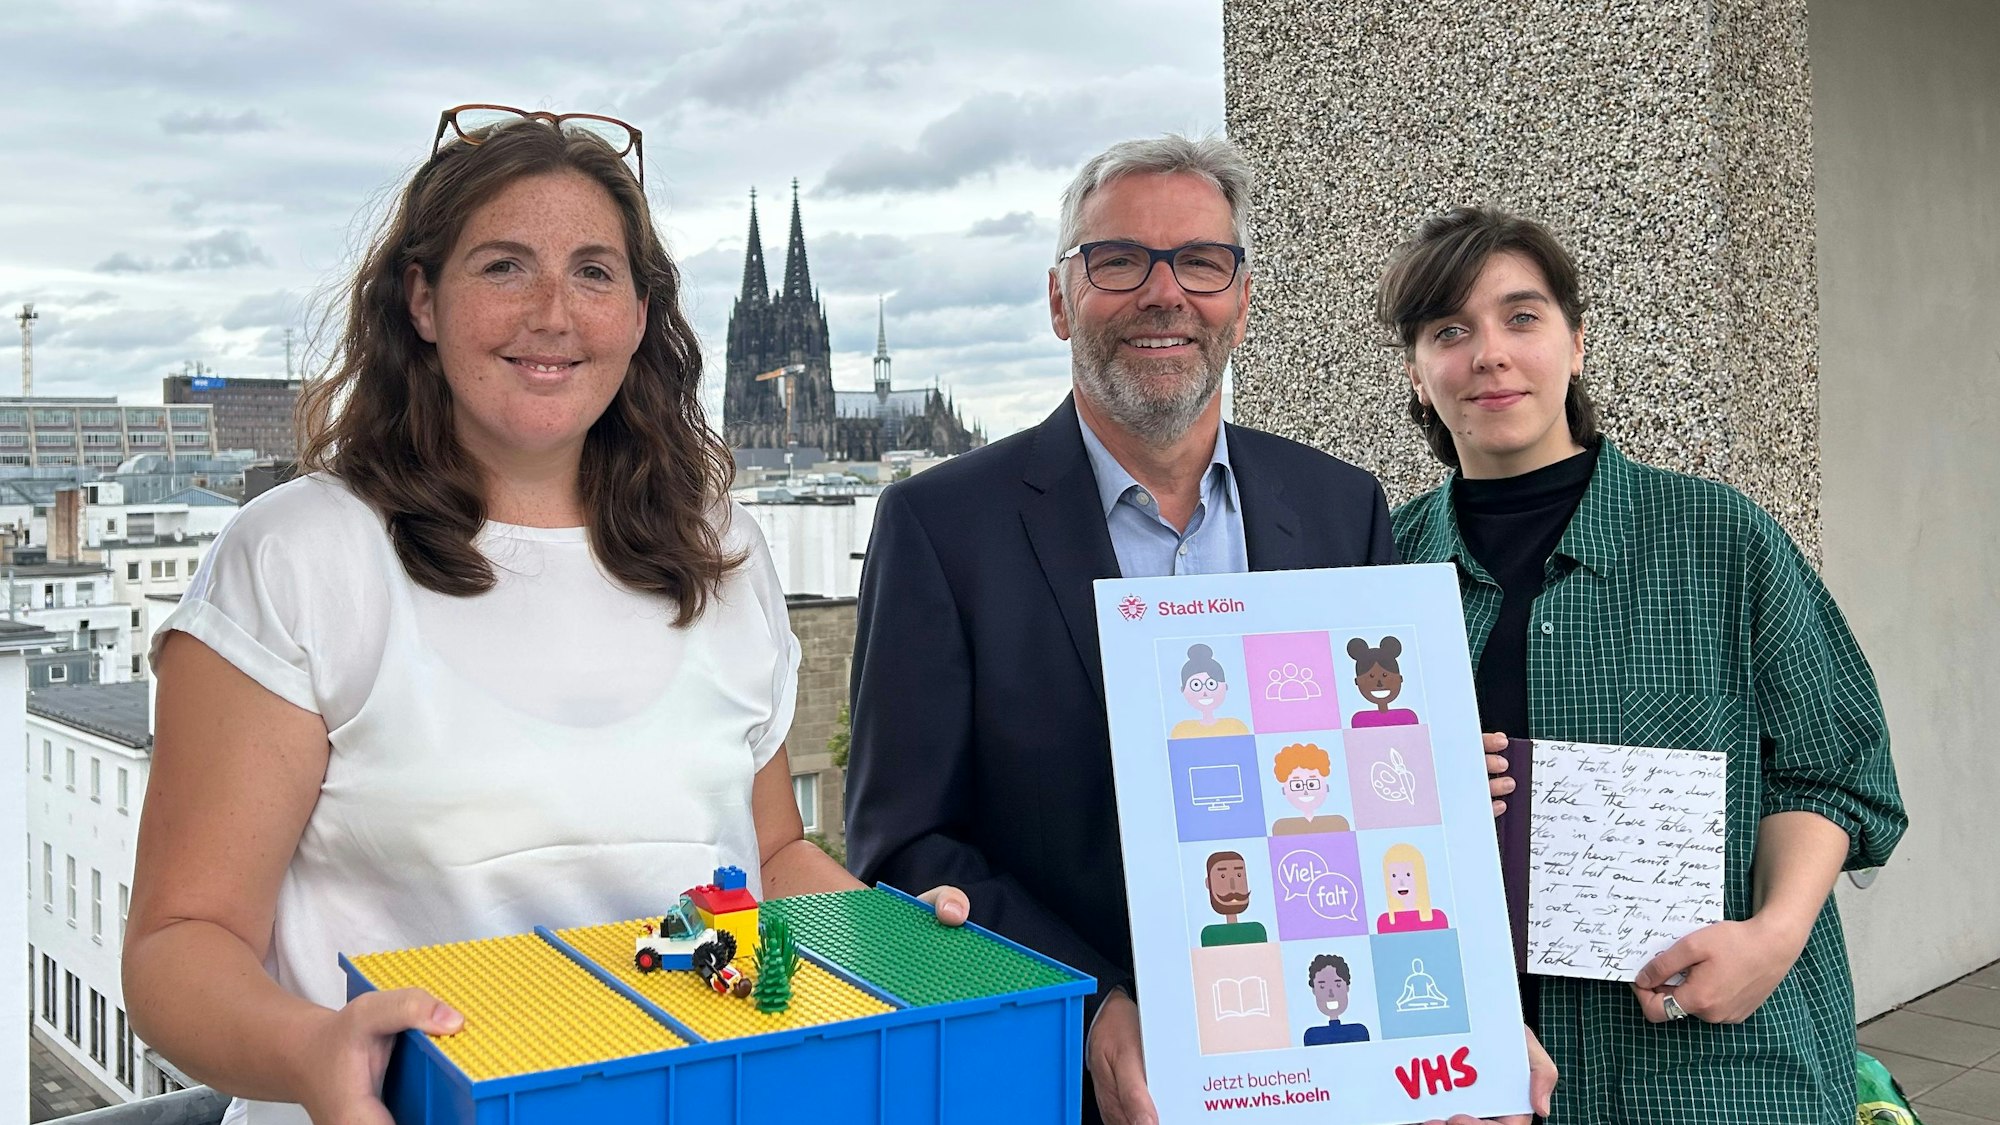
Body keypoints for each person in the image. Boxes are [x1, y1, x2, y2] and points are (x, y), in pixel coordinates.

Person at [122, 107, 964, 1125]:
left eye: (595, 273)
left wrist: (888, 943)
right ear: (421, 301)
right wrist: (314, 1051)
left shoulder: (719, 550)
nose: (553, 313)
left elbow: (768, 857)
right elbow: (181, 941)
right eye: (504, 267)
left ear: (642, 316)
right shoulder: (297, 554)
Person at [845, 134, 1550, 1125]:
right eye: (1117, 260)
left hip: (1325, 1073)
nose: (1163, 293)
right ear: (1059, 300)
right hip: (1078, 1092)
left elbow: (1384, 812)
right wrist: (1086, 1006)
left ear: (1241, 301)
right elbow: (901, 846)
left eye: (1200, 262)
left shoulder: (1339, 506)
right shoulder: (938, 526)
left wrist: (1459, 1019)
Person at [1380, 205, 1906, 1125]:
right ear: (1419, 375)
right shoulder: (1384, 570)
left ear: (1576, 343)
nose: (1490, 353)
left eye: (1522, 317)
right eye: (1449, 331)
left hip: (1711, 1064)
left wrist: (1772, 940)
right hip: (1467, 1074)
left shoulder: (1718, 537)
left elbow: (1837, 770)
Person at [1169, 643, 1252, 738]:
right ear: (1183, 690)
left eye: (1211, 684)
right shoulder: (1181, 730)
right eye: (1196, 685)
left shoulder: (1237, 727)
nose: (1205, 693)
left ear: (1225, 687)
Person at [1268, 741, 1351, 834]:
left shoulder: (1340, 823)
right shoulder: (1280, 827)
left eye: (1312, 784)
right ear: (1284, 790)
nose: (1305, 791)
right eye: (1297, 785)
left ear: (1326, 787)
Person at [1198, 851, 1268, 946]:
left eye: (1239, 875)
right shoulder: (1209, 934)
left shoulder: (1257, 931)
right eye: (1223, 876)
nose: (1233, 886)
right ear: (1208, 883)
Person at [1376, 843, 1449, 933]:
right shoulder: (1384, 922)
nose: (1401, 883)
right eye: (1394, 876)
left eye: (1408, 875)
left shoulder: (1438, 918)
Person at [1302, 954, 1371, 1046]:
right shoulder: (1312, 1035)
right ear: (1314, 990)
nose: (1331, 994)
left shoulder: (1359, 1031)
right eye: (1322, 987)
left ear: (1347, 987)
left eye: (1338, 985)